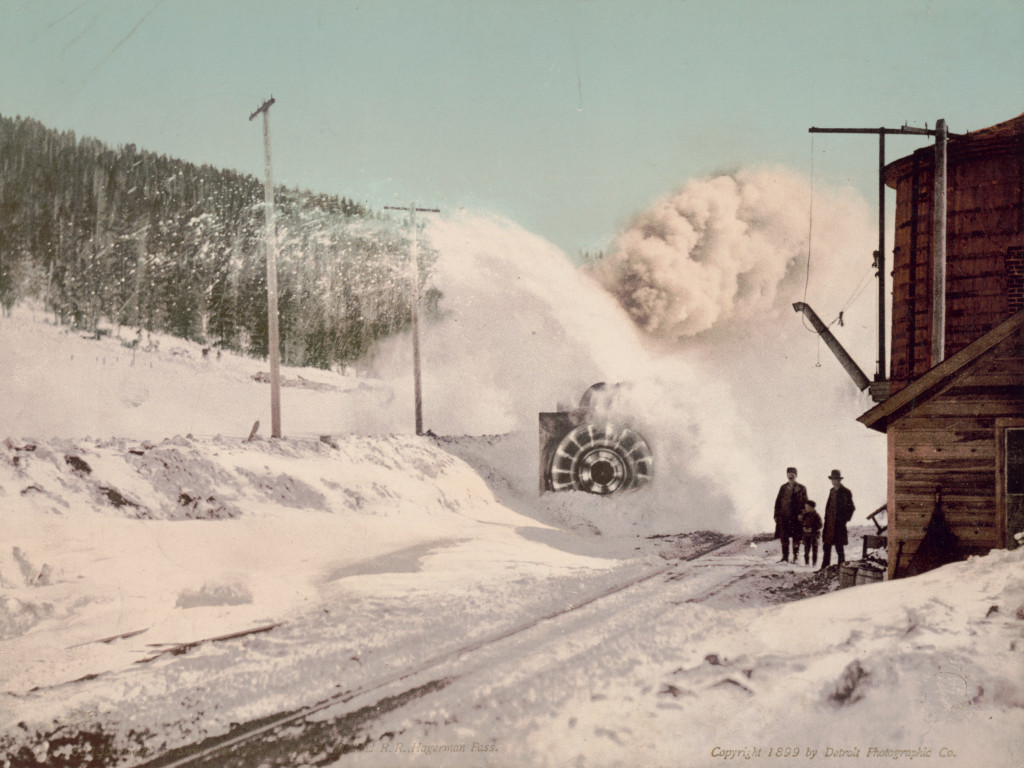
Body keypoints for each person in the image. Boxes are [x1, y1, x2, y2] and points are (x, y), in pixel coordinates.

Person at [821, 469, 855, 570]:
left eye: (836, 479)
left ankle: (841, 566)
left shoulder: (846, 492)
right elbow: (828, 506)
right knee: (826, 545)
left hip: (838, 523)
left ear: (839, 480)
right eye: (832, 479)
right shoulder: (831, 491)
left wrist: (844, 519)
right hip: (829, 523)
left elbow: (851, 507)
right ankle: (824, 567)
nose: (834, 481)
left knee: (838, 546)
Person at [773, 467, 807, 563]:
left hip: (796, 518)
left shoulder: (801, 488)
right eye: (789, 473)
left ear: (796, 475)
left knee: (796, 537)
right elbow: (777, 502)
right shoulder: (783, 488)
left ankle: (796, 557)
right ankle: (785, 557)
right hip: (784, 517)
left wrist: (802, 514)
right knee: (784, 537)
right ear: (787, 475)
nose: (791, 475)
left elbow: (805, 503)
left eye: (793, 473)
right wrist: (776, 515)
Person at [800, 500, 823, 566]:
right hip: (806, 535)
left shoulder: (816, 515)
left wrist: (812, 529)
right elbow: (802, 523)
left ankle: (814, 564)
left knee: (814, 550)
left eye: (807, 507)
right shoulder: (805, 515)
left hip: (814, 535)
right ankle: (806, 563)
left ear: (811, 507)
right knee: (806, 550)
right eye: (805, 506)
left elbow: (820, 525)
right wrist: (804, 528)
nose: (806, 508)